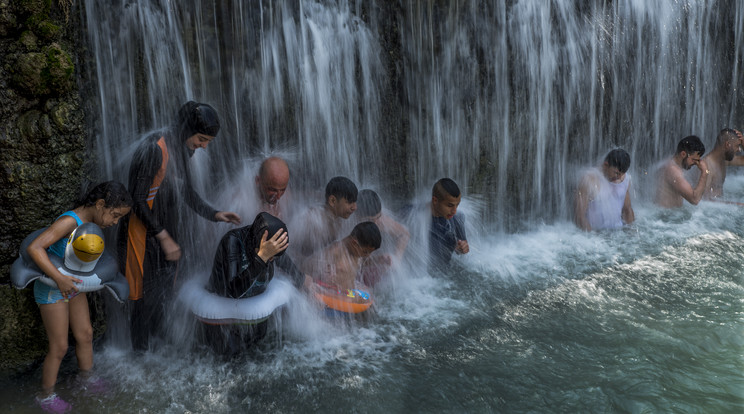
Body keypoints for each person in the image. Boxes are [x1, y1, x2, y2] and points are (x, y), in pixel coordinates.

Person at [118, 101, 241, 351]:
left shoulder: (181, 150)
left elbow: (187, 193)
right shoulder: (155, 149)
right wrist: (163, 237)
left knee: (162, 294)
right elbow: (136, 200)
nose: (204, 146)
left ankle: (158, 349)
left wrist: (216, 214)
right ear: (187, 130)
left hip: (163, 236)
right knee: (142, 300)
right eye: (202, 139)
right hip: (140, 237)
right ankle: (139, 358)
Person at [27, 181, 132, 412]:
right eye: (114, 215)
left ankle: (87, 379)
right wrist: (59, 278)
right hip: (53, 287)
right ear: (100, 204)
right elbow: (35, 248)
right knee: (60, 346)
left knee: (85, 334)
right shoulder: (69, 222)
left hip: (74, 287)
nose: (115, 222)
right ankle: (45, 396)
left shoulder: (93, 226)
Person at [204, 212, 309, 355]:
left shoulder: (269, 248)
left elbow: (284, 261)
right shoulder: (232, 242)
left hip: (254, 308)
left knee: (260, 344)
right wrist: (262, 258)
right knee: (231, 353)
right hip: (224, 318)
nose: (272, 260)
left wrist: (302, 280)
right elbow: (234, 291)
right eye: (270, 256)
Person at [293, 176, 358, 272]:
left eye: (355, 202)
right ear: (332, 201)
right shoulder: (311, 219)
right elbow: (289, 249)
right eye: (349, 202)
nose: (354, 207)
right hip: (303, 269)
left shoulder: (338, 219)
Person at [356, 189, 410, 287]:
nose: (376, 223)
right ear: (357, 215)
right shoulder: (346, 223)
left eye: (378, 217)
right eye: (371, 220)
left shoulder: (381, 221)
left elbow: (404, 234)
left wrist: (397, 257)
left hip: (368, 262)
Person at [574, 149, 635, 231]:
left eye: (622, 174)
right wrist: (592, 238)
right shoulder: (589, 180)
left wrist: (632, 231)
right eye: (616, 173)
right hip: (595, 234)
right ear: (606, 165)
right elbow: (580, 216)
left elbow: (627, 209)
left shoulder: (625, 180)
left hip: (617, 232)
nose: (619, 177)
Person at [310, 221, 382, 291]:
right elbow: (309, 265)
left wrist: (380, 259)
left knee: (369, 294)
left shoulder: (356, 253)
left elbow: (360, 264)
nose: (367, 256)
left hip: (346, 292)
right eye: (365, 252)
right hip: (331, 292)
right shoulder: (335, 251)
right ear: (354, 243)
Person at [654, 135, 709, 208]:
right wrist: (705, 172)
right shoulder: (673, 170)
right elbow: (694, 199)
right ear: (683, 154)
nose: (696, 163)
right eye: (694, 160)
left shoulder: (670, 164)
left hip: (668, 215)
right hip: (665, 217)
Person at [429, 178, 469, 269]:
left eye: (457, 205)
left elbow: (462, 248)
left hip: (444, 275)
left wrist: (463, 248)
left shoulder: (457, 218)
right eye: (450, 205)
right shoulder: (416, 216)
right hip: (421, 277)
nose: (454, 211)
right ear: (435, 200)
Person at [702, 128, 744, 200]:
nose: (739, 150)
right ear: (727, 145)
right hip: (711, 209)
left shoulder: (723, 160)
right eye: (737, 146)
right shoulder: (707, 166)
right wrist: (735, 205)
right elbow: (704, 200)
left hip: (719, 206)